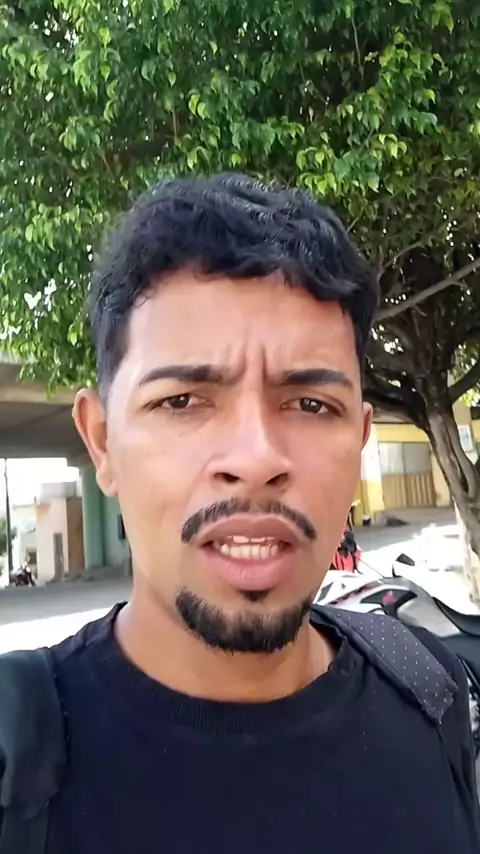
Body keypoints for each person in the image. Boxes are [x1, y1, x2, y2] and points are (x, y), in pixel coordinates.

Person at [2, 174, 479, 853]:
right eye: (182, 401)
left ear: (360, 440)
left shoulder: (431, 695)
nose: (257, 459)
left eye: (311, 405)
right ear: (102, 442)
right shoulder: (17, 759)